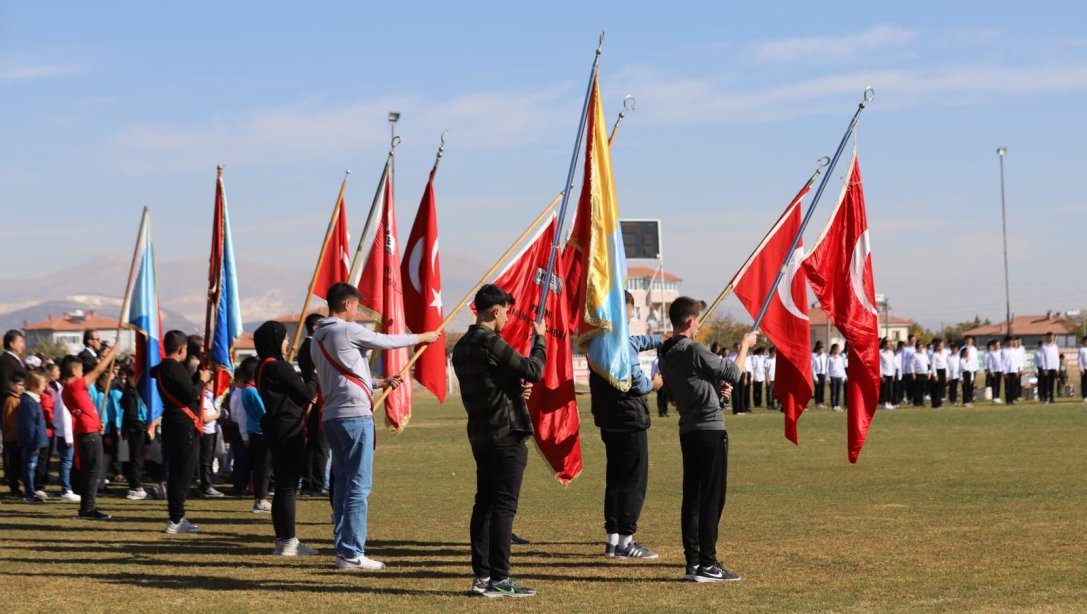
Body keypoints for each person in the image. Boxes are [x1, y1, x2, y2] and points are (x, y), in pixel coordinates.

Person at [311, 282, 437, 572]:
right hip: (355, 417)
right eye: (356, 306)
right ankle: (352, 552)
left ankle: (344, 550)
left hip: (332, 416)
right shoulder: (345, 329)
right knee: (358, 485)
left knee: (343, 484)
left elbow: (343, 372)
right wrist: (422, 337)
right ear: (346, 304)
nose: (357, 312)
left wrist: (378, 383)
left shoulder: (317, 336)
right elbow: (385, 341)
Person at [451, 284, 544, 597]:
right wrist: (541, 339)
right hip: (506, 435)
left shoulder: (463, 345)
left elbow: (490, 383)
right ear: (494, 310)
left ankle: (482, 576)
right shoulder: (490, 341)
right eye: (506, 311)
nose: (508, 317)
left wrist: (514, 390)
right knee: (504, 508)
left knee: (485, 506)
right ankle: (500, 579)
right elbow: (534, 369)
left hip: (481, 435)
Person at [658, 296, 754, 583]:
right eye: (698, 320)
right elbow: (734, 372)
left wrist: (716, 395)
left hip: (689, 430)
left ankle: (694, 561)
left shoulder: (665, 356)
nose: (700, 325)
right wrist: (745, 346)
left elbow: (680, 395)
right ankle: (709, 565)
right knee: (712, 497)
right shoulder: (695, 350)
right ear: (689, 321)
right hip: (710, 431)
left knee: (693, 496)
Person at [591, 291, 663, 560]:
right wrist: (654, 384)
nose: (633, 315)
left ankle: (612, 540)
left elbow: (639, 341)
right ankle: (626, 542)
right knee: (634, 482)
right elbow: (638, 382)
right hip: (630, 420)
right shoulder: (622, 344)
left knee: (615, 480)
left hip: (609, 421)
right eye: (632, 310)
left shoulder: (597, 340)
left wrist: (662, 340)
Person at [254, 320, 320, 556]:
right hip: (288, 428)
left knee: (282, 486)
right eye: (284, 338)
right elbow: (307, 394)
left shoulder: (263, 366)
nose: (287, 342)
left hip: (274, 427)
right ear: (274, 340)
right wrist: (314, 376)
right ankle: (290, 542)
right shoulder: (279, 367)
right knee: (288, 487)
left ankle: (282, 540)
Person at [151, 330, 210, 534]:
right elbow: (191, 394)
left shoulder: (161, 368)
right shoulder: (174, 368)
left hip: (172, 422)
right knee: (182, 474)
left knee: (178, 472)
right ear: (182, 348)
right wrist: (202, 380)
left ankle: (176, 516)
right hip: (182, 424)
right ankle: (176, 519)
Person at [60, 345, 119, 520]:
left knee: (89, 471)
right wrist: (111, 354)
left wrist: (96, 423)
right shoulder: (75, 386)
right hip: (88, 435)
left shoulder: (66, 390)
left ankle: (86, 508)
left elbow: (81, 411)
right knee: (93, 471)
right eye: (80, 369)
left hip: (87, 431)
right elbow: (98, 370)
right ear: (73, 371)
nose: (82, 372)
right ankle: (88, 509)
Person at [295, 313, 328, 496]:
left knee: (314, 443)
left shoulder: (310, 346)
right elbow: (315, 375)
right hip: (318, 397)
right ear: (315, 328)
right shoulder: (311, 347)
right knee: (320, 444)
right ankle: (316, 483)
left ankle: (309, 482)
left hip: (316, 396)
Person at [238, 356, 271, 513]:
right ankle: (261, 499)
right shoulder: (252, 391)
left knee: (260, 466)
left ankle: (260, 498)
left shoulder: (245, 390)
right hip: (261, 431)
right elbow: (263, 411)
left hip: (254, 431)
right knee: (263, 467)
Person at [16, 370, 48, 503]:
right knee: (29, 466)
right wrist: (34, 444)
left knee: (32, 467)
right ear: (34, 386)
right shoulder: (29, 402)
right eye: (42, 385)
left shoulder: (34, 400)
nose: (44, 387)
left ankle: (31, 490)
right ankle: (29, 493)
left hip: (36, 441)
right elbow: (29, 426)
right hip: (32, 442)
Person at [119, 366, 149, 500]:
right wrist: (141, 426)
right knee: (135, 459)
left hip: (138, 428)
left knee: (137, 458)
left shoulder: (134, 392)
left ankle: (135, 484)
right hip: (135, 429)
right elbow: (132, 415)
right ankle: (135, 487)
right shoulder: (130, 393)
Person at [3, 369, 27, 497]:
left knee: (18, 463)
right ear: (11, 384)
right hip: (13, 437)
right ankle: (14, 488)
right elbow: (11, 421)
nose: (21, 388)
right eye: (19, 385)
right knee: (14, 464)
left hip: (17, 437)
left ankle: (16, 486)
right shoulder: (11, 400)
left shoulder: (20, 398)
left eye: (23, 385)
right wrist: (15, 436)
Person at [1041, 332, 1060, 404]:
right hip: (1047, 368)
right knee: (1046, 383)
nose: (1050, 338)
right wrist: (1044, 368)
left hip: (1053, 367)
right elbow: (1043, 358)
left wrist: (1057, 368)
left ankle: (1051, 398)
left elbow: (1057, 358)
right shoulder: (1044, 347)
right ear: (1047, 337)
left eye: (1052, 337)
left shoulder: (1055, 346)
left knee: (1052, 383)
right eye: (1049, 337)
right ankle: (1046, 398)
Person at [827, 344, 846, 412]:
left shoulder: (840, 358)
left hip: (839, 377)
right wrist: (828, 378)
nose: (836, 351)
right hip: (832, 376)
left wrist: (844, 377)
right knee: (833, 392)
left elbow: (842, 368)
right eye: (835, 349)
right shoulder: (829, 358)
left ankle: (838, 405)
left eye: (837, 349)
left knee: (839, 392)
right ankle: (834, 405)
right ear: (832, 349)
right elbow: (827, 368)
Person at [930, 338, 948, 409]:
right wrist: (935, 375)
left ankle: (939, 402)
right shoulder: (934, 355)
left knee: (941, 388)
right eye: (940, 345)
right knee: (936, 388)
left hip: (943, 371)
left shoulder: (944, 354)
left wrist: (947, 374)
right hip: (937, 371)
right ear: (937, 346)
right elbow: (933, 365)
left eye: (942, 345)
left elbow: (946, 364)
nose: (942, 346)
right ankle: (936, 403)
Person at [961, 336, 979, 407]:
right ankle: (965, 400)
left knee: (971, 384)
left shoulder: (974, 349)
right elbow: (961, 358)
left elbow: (976, 359)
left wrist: (977, 368)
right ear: (965, 341)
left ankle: (970, 399)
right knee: (965, 385)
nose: (969, 341)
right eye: (968, 340)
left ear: (972, 341)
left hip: (973, 368)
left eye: (970, 340)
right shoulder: (963, 348)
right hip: (965, 369)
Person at [879, 338, 896, 410]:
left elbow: (893, 364)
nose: (888, 346)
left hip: (890, 373)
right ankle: (885, 403)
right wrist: (881, 375)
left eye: (889, 344)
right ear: (884, 345)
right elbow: (879, 365)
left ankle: (889, 403)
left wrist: (894, 374)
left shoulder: (891, 353)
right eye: (887, 344)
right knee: (885, 390)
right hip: (884, 373)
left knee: (890, 390)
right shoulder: (880, 352)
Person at [811, 342, 827, 409]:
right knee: (817, 389)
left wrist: (826, 376)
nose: (821, 351)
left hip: (823, 374)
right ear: (817, 350)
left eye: (822, 349)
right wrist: (815, 377)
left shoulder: (824, 356)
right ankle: (817, 402)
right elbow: (813, 368)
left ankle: (822, 402)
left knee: (822, 389)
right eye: (820, 349)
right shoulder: (814, 357)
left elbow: (826, 366)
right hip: (817, 374)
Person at [1079, 337, 1087, 402]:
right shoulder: (1081, 349)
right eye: (1085, 341)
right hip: (1084, 369)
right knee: (1084, 383)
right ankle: (1084, 396)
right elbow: (1079, 360)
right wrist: (1081, 369)